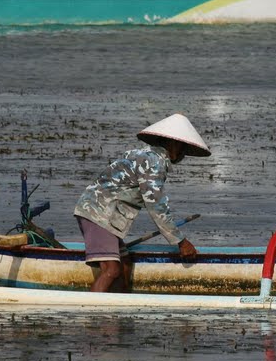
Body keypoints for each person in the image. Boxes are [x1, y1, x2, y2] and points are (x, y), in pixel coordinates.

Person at [74, 113, 211, 292]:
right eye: (184, 148)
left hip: (105, 215)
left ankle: (117, 312)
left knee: (125, 266)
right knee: (111, 270)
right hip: (98, 214)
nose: (184, 154)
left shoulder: (145, 155)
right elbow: (156, 206)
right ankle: (90, 312)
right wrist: (180, 241)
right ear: (174, 145)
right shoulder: (154, 163)